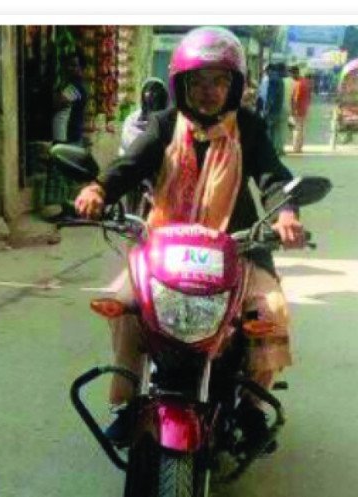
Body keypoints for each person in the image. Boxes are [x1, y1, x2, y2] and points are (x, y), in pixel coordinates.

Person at [72, 27, 306, 445]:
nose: (209, 91)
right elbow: (130, 164)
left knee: (267, 311)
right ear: (182, 85)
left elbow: (273, 177)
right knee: (126, 307)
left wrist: (286, 212)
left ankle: (252, 408)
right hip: (164, 246)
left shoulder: (248, 129)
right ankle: (127, 405)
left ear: (234, 86)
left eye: (219, 81)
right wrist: (98, 189)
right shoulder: (163, 126)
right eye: (198, 82)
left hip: (236, 247)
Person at [43, 55, 89, 220]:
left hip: (67, 137)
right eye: (69, 65)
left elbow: (57, 102)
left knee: (63, 175)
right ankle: (68, 210)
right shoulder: (75, 86)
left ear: (83, 70)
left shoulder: (75, 88)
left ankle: (69, 211)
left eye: (75, 66)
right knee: (65, 175)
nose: (71, 69)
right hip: (69, 136)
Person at [119, 77, 170, 154]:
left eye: (156, 90)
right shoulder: (132, 120)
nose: (151, 94)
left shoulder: (169, 120)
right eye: (148, 90)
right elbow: (128, 143)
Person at [257, 59, 288, 154]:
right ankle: (274, 150)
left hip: (272, 110)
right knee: (274, 131)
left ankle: (268, 151)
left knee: (269, 131)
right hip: (277, 109)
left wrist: (267, 109)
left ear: (269, 70)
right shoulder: (279, 79)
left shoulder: (273, 79)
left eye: (266, 72)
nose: (266, 74)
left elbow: (271, 96)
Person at [289, 65, 313, 153]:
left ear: (295, 73)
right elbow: (309, 97)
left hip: (298, 110)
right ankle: (299, 147)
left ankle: (296, 148)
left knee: (296, 130)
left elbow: (296, 99)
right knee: (301, 129)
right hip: (304, 109)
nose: (290, 77)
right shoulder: (305, 82)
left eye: (291, 74)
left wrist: (293, 111)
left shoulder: (299, 83)